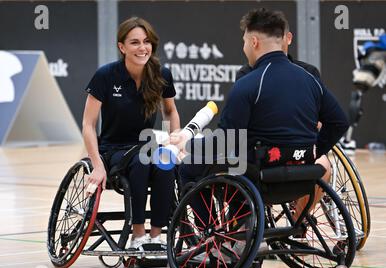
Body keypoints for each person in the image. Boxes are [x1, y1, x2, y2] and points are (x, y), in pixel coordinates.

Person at [173, 8, 349, 223]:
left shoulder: (248, 83)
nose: (244, 47)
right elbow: (339, 122)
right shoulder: (309, 78)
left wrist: (189, 144)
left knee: (188, 168)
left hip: (261, 179)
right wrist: (313, 152)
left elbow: (224, 142)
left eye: (245, 41)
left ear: (254, 41)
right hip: (304, 175)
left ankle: (210, 236)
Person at [82, 17, 180, 250]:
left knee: (165, 163)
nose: (142, 47)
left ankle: (156, 237)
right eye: (134, 42)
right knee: (142, 161)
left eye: (146, 42)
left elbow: (170, 112)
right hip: (113, 150)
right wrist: (96, 164)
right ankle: (138, 234)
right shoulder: (106, 75)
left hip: (146, 146)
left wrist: (173, 141)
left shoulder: (161, 74)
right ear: (122, 47)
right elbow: (88, 123)